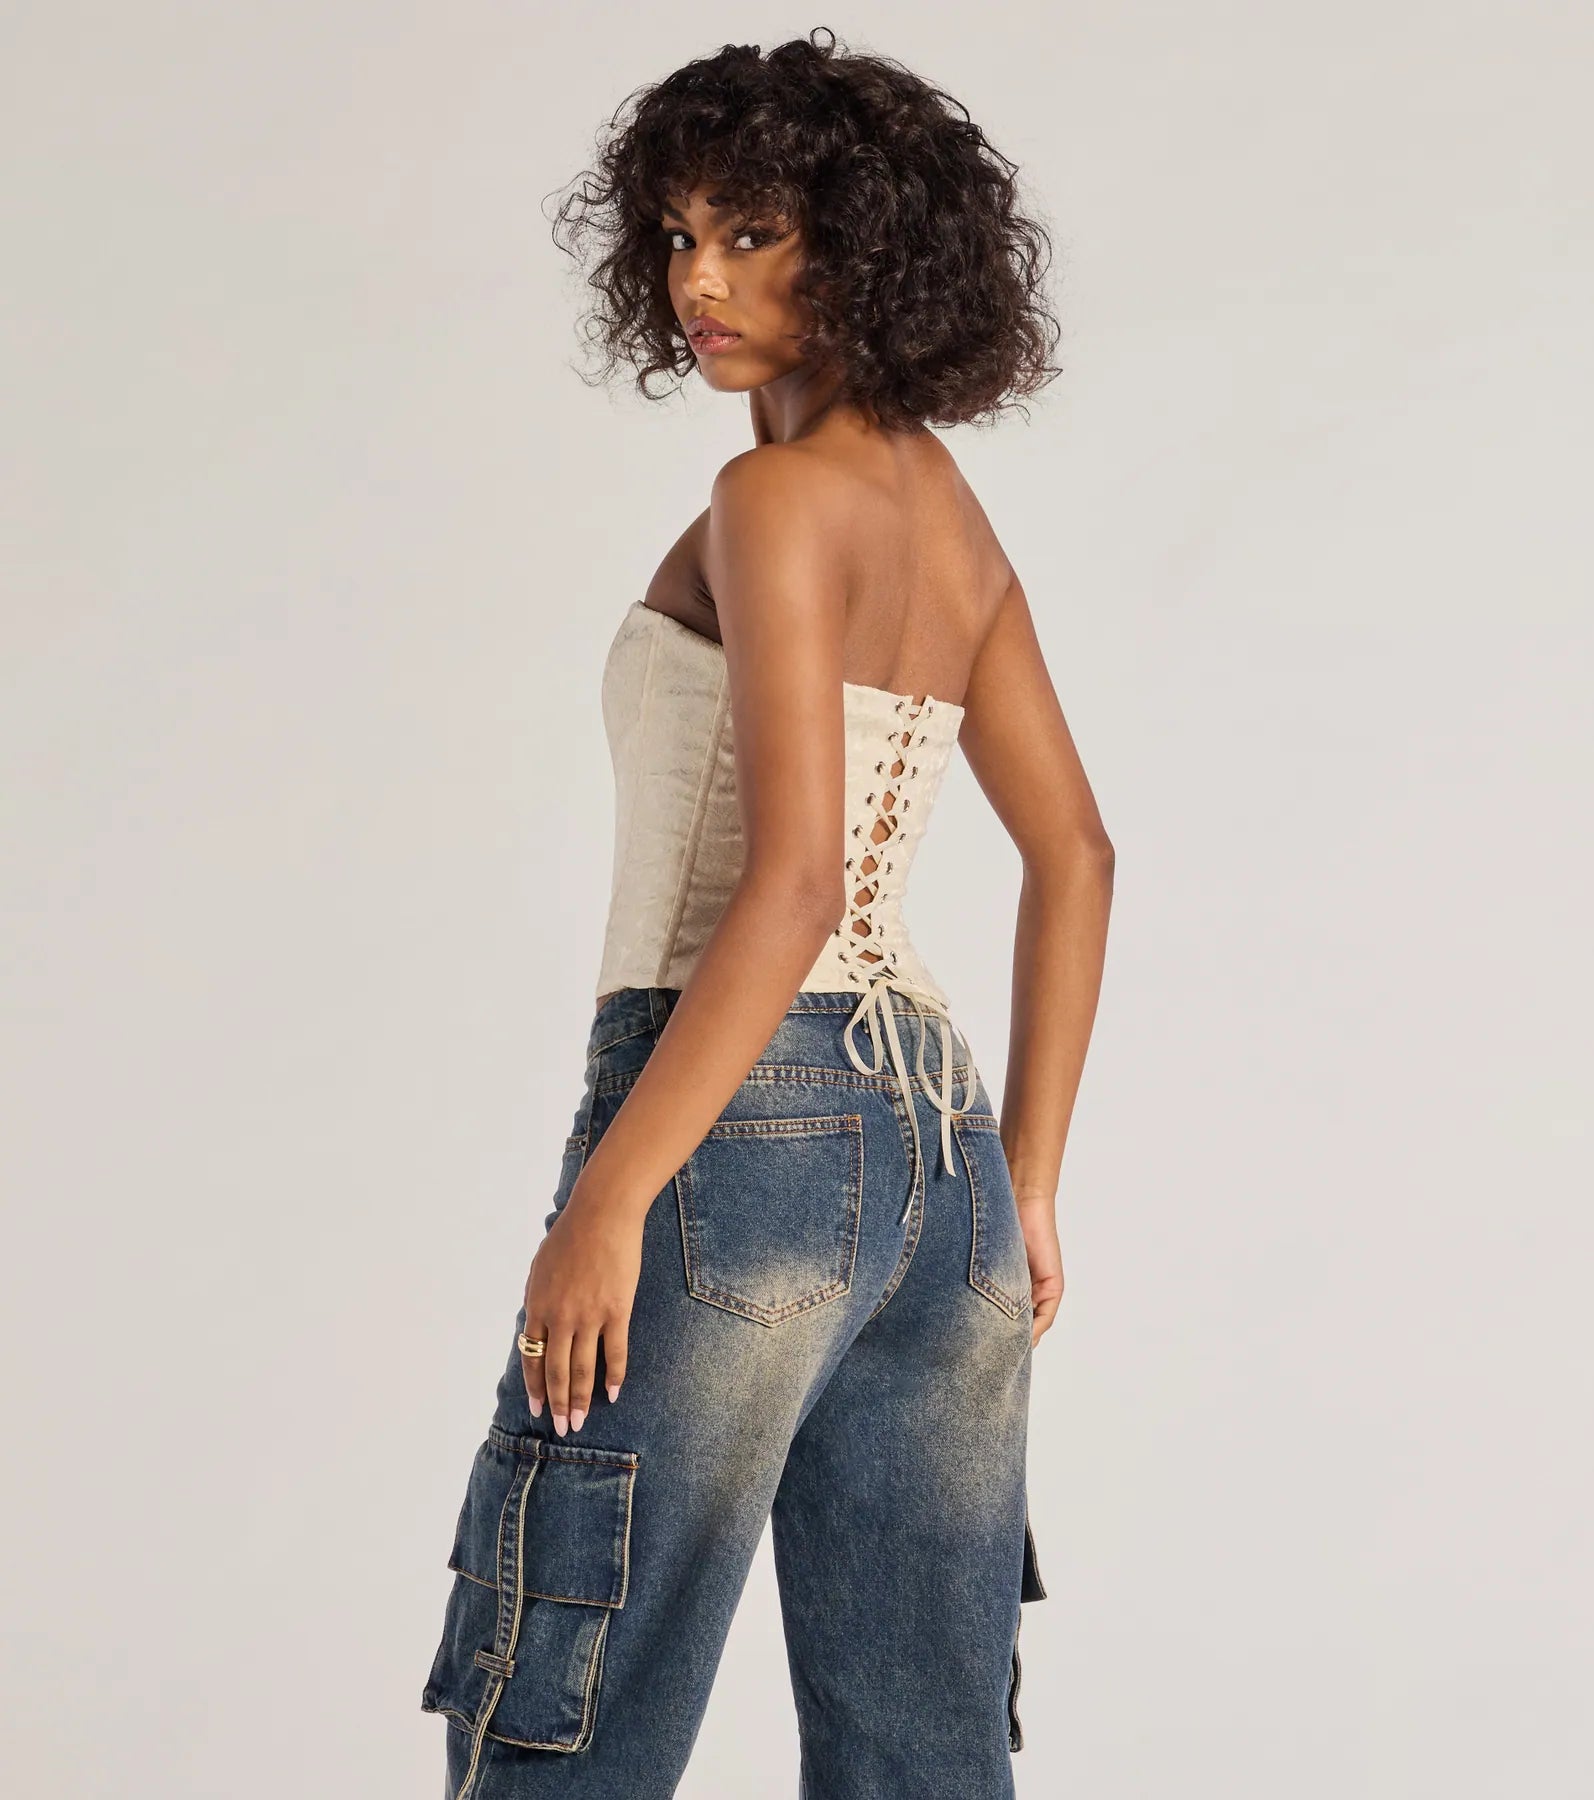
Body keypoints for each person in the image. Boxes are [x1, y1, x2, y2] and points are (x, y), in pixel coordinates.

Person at [421, 30, 1114, 1799]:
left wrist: (606, 1201)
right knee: (923, 1749)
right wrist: (1024, 1182)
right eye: (676, 237)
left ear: (863, 249)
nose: (699, 284)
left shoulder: (770, 499)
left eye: (750, 235)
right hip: (941, 1160)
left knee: (565, 1706)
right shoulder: (947, 517)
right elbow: (1078, 857)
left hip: (736, 1130)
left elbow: (797, 880)